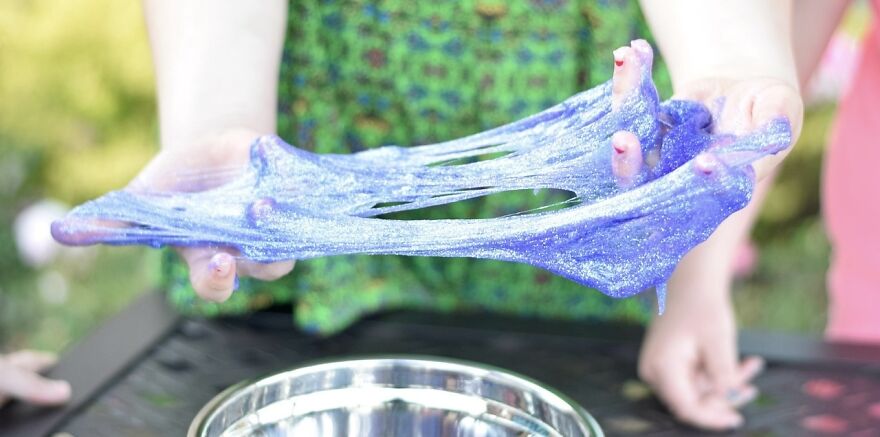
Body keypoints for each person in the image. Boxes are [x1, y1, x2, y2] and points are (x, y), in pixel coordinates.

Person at [15, 0, 806, 431]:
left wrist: (700, 270)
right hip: (290, 295)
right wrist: (213, 124)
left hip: (577, 304)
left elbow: (721, 62)